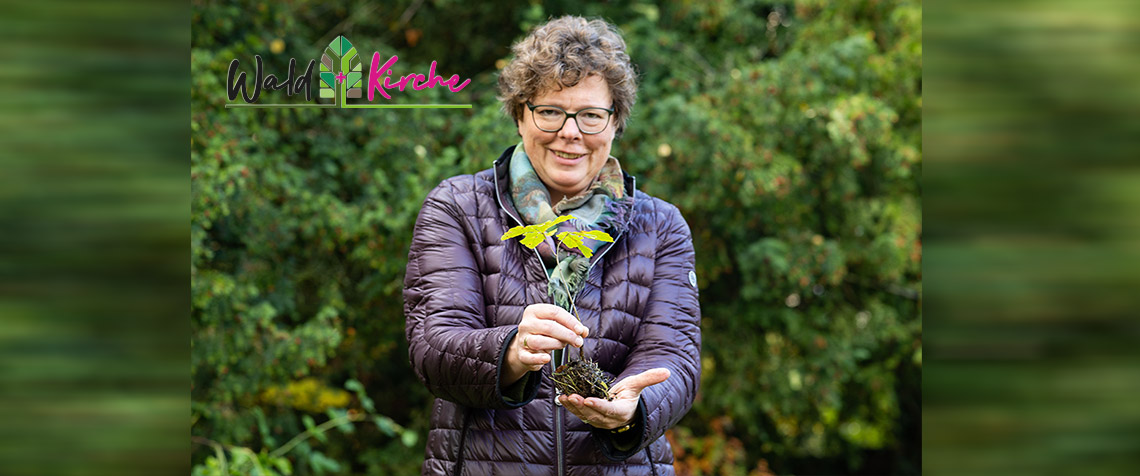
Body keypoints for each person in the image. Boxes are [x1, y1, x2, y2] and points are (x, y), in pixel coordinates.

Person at [404, 15, 701, 476]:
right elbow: (433, 344)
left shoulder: (660, 226)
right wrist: (512, 351)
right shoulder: (459, 207)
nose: (570, 132)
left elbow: (674, 355)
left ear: (615, 122)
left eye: (590, 115)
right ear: (521, 114)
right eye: (550, 111)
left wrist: (635, 406)